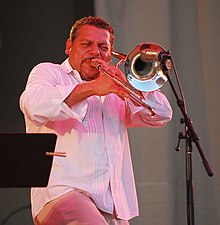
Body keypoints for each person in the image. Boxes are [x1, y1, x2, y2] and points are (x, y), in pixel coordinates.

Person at [20, 16, 172, 225]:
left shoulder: (114, 86)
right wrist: (93, 88)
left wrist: (130, 85)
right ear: (69, 46)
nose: (95, 51)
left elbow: (162, 114)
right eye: (86, 44)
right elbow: (33, 104)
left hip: (112, 202)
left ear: (110, 53)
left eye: (103, 46)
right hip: (62, 192)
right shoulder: (49, 72)